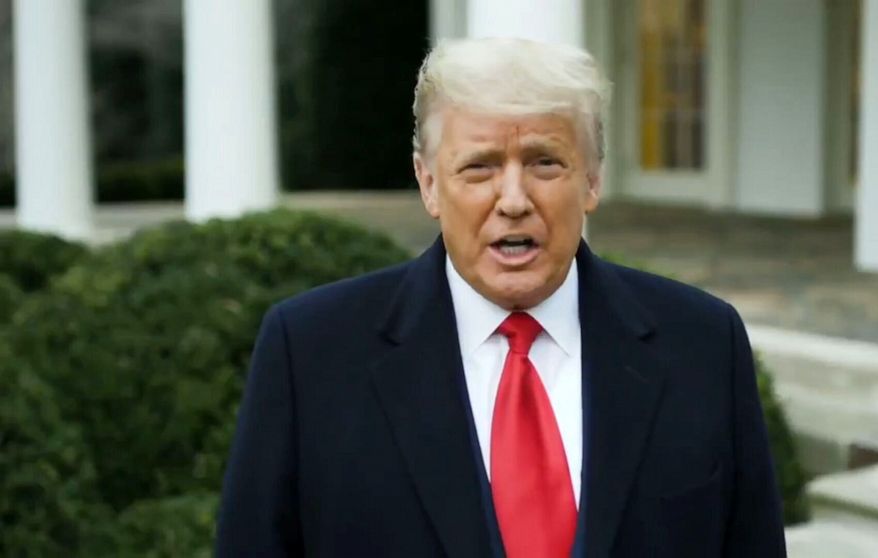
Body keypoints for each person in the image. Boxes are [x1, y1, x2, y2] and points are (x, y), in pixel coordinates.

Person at [215, 37, 786, 557]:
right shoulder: (311, 352)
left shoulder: (704, 343)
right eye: (480, 167)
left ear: (591, 180)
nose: (513, 199)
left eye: (544, 162)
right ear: (429, 184)